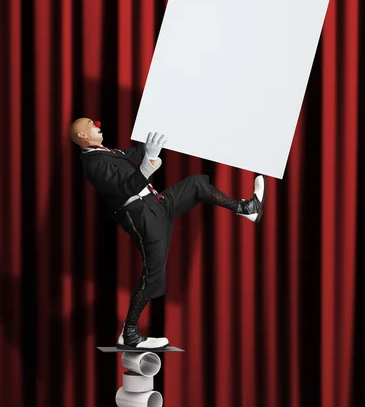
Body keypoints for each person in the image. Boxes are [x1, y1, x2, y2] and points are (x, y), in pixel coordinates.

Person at [69, 117, 265, 349]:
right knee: (153, 273)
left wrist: (164, 118)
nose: (97, 125)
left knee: (195, 185)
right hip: (141, 214)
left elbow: (140, 151)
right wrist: (148, 162)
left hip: (156, 203)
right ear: (82, 136)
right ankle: (129, 333)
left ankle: (246, 209)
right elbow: (127, 187)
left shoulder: (110, 153)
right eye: (91, 124)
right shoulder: (93, 164)